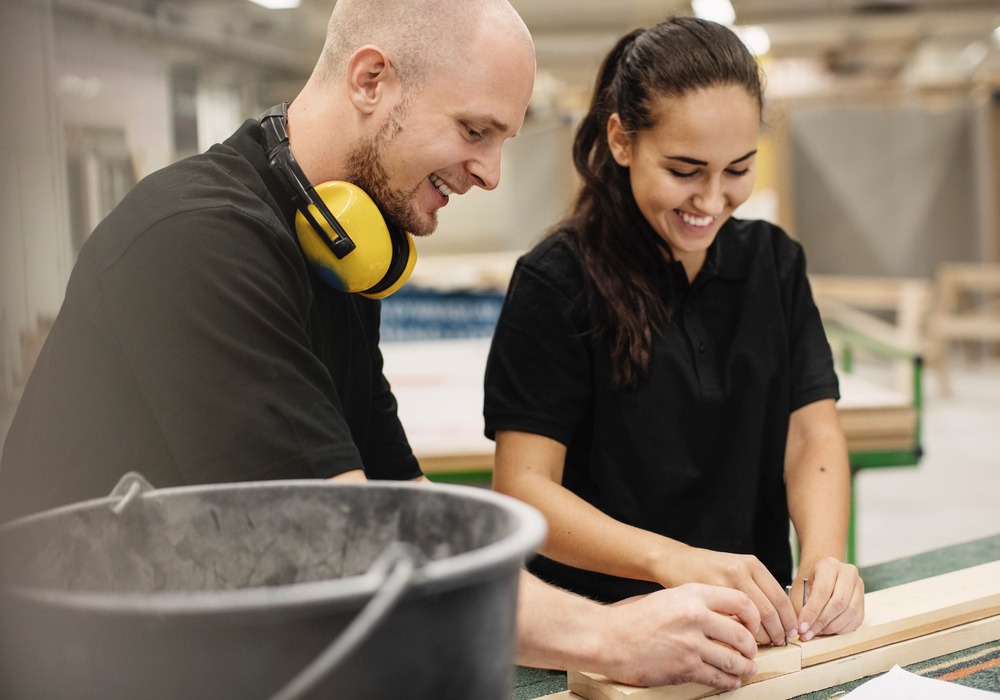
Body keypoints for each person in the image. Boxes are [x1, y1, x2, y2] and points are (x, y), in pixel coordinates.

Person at [0, 0, 763, 690]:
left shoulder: (338, 250)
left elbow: (404, 512)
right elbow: (338, 542)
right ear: (371, 80)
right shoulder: (196, 243)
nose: (492, 175)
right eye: (474, 131)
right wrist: (603, 634)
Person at [484, 15, 865, 650]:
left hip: (754, 633)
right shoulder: (556, 283)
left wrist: (824, 559)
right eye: (685, 170)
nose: (712, 201)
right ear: (622, 140)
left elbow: (810, 432)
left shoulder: (775, 263)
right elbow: (525, 491)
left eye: (739, 170)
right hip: (604, 637)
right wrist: (672, 562)